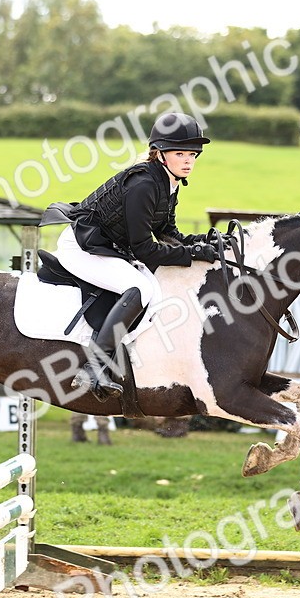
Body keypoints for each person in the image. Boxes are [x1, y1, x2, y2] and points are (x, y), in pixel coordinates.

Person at [42, 112, 222, 402]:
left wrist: (207, 242)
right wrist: (190, 254)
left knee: (148, 285)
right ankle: (95, 366)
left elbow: (168, 233)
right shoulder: (144, 185)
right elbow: (144, 249)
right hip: (84, 246)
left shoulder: (168, 182)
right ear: (160, 154)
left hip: (109, 246)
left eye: (193, 154)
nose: (189, 161)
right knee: (140, 288)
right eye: (181, 153)